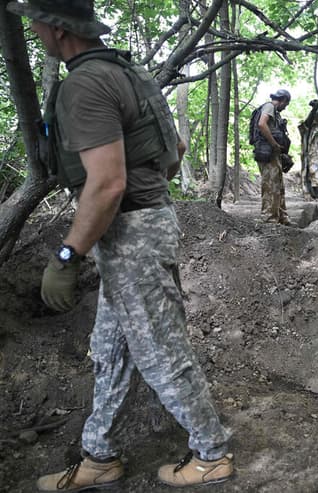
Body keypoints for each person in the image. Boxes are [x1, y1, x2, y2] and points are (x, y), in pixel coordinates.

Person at [7, 0, 234, 489]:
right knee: (112, 349)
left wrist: (68, 253)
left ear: (57, 29)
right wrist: (149, 194)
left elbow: (107, 184)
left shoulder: (85, 85)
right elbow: (175, 151)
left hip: (130, 233)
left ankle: (212, 453)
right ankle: (100, 455)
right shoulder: (132, 74)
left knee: (161, 351)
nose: (35, 28)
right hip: (144, 225)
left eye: (37, 20)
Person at [254, 89, 292, 225]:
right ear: (282, 100)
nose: (285, 107)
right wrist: (274, 144)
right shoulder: (269, 107)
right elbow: (261, 124)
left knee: (278, 186)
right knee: (271, 186)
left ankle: (282, 217)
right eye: (286, 104)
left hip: (273, 153)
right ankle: (269, 219)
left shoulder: (275, 112)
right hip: (268, 152)